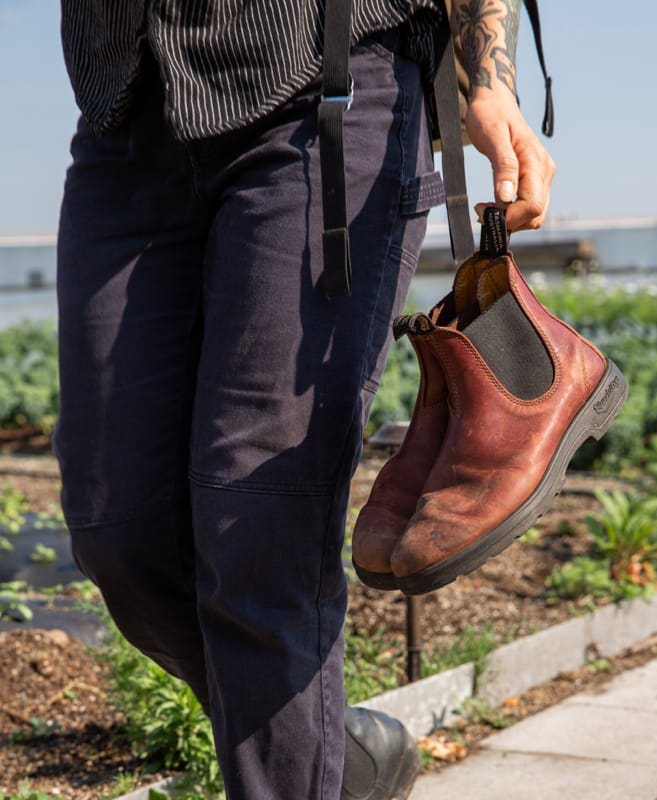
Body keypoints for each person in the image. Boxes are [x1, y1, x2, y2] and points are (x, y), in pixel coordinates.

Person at [55, 1, 555, 797]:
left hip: (323, 92)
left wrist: (486, 81)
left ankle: (296, 769)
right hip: (127, 109)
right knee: (119, 532)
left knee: (259, 527)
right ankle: (330, 751)